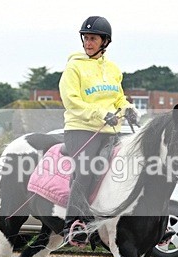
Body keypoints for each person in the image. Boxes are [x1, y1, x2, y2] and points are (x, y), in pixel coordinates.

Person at [59, 16, 138, 244]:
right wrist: (100, 114)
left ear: (105, 42)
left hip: (111, 129)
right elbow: (72, 101)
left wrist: (128, 109)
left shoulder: (113, 69)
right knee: (87, 170)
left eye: (93, 38)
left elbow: (119, 98)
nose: (88, 43)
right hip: (81, 129)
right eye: (86, 38)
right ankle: (73, 224)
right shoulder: (74, 67)